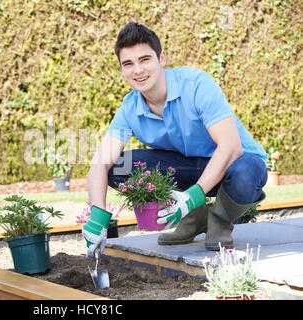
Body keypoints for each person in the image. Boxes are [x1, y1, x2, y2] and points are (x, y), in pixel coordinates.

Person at [82, 22, 268, 257]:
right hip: (190, 167)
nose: (137, 70)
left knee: (248, 169)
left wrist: (191, 197)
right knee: (118, 167)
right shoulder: (130, 107)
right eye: (128, 64)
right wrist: (97, 218)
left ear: (162, 58)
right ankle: (196, 217)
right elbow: (100, 163)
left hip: (236, 164)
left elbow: (231, 146)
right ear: (121, 69)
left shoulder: (196, 84)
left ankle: (219, 219)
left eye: (145, 59)